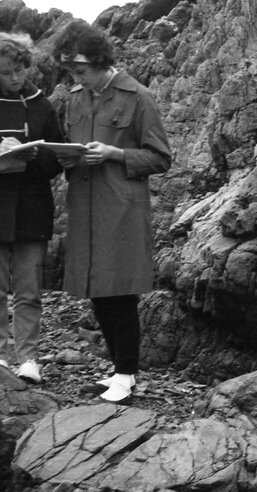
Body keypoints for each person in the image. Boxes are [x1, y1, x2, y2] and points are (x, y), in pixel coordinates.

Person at [51, 21, 172, 405]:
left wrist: (114, 153)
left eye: (80, 69)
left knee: (120, 293)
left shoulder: (138, 97)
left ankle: (126, 374)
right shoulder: (76, 97)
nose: (75, 76)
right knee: (98, 292)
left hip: (121, 210)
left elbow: (160, 157)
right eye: (70, 70)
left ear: (101, 60)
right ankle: (119, 370)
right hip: (84, 209)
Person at [0, 33, 64, 384]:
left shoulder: (40, 104)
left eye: (21, 69)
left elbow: (59, 157)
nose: (16, 77)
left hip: (32, 209)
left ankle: (27, 359)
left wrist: (31, 155)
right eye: (7, 72)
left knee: (29, 290)